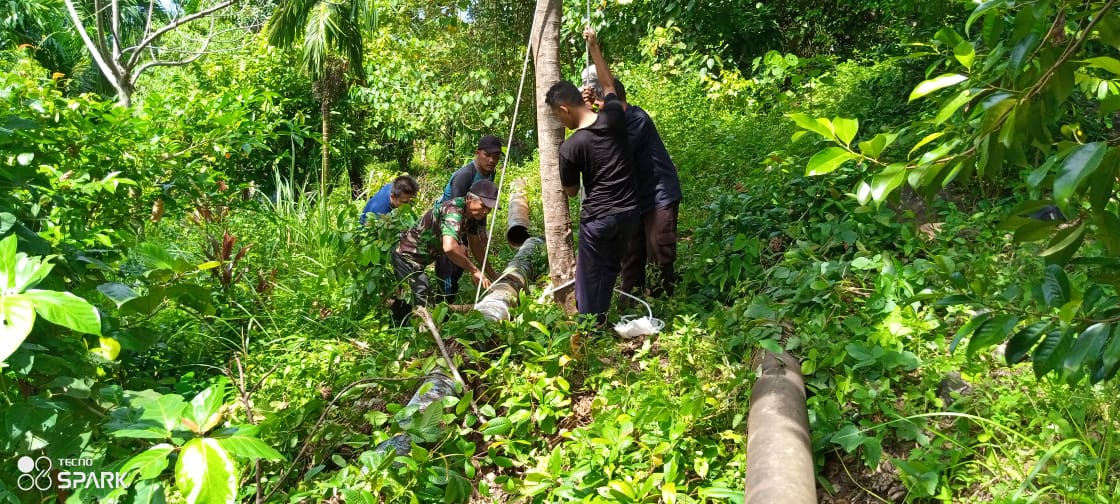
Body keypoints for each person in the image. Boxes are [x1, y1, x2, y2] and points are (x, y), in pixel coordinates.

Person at [545, 27, 640, 328]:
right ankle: (600, 320)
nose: (560, 122)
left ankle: (589, 329)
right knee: (611, 267)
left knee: (588, 278)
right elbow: (609, 86)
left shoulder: (571, 147)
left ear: (564, 108)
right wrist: (594, 46)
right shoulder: (613, 117)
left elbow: (571, 192)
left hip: (598, 219)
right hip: (628, 214)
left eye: (558, 116)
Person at [581, 63, 683, 298]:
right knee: (631, 252)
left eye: (600, 105)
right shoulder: (613, 121)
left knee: (659, 250)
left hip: (659, 196)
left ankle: (663, 301)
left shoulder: (636, 119)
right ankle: (631, 300)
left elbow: (613, 149)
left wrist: (592, 118)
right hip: (635, 199)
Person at [391, 179, 500, 310]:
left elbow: (476, 246)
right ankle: (419, 329)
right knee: (422, 296)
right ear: (470, 198)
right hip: (406, 256)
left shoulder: (473, 216)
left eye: (489, 209)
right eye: (483, 206)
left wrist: (493, 275)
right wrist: (474, 270)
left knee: (410, 298)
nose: (485, 212)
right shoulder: (454, 210)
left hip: (419, 259)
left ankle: (400, 322)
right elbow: (449, 247)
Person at [434, 135, 503, 300]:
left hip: (468, 218)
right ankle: (443, 302)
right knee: (451, 261)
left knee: (463, 260)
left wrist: (481, 230)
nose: (492, 160)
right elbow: (456, 208)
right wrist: (460, 242)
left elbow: (485, 202)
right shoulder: (464, 176)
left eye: (496, 156)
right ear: (477, 153)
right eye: (488, 155)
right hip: (448, 222)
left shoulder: (490, 173)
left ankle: (450, 300)